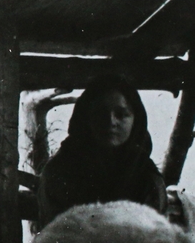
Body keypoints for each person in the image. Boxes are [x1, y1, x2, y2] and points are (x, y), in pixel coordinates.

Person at [38, 74, 165, 226]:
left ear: (136, 121)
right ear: (86, 118)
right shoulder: (59, 172)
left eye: (121, 114)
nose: (111, 121)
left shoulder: (147, 179)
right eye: (101, 113)